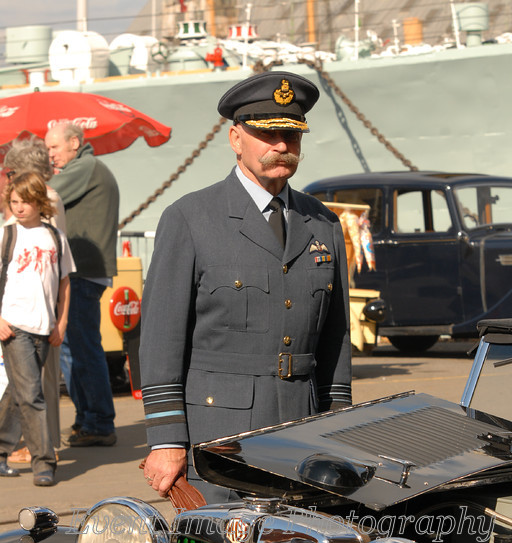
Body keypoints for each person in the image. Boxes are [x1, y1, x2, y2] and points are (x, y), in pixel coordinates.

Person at [139, 71, 352, 503]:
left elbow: (336, 338)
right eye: (266, 134)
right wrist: (165, 438)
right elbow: (161, 339)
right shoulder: (191, 219)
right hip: (218, 440)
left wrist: (338, 426)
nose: (281, 146)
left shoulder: (323, 224)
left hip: (303, 435)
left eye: (291, 136)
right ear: (236, 139)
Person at [46, 122, 119, 446]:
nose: (50, 155)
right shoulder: (88, 167)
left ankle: (99, 422)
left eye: (54, 148)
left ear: (74, 143)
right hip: (84, 273)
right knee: (73, 350)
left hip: (82, 274)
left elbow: (41, 195)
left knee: (82, 350)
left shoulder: (84, 167)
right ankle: (88, 418)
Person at [0, 172, 72, 486]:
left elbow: (64, 282)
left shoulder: (55, 237)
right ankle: (44, 461)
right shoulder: (6, 235)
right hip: (14, 325)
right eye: (13, 202)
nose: (18, 208)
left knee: (19, 394)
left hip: (45, 326)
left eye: (25, 202)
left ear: (39, 202)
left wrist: (62, 321)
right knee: (33, 394)